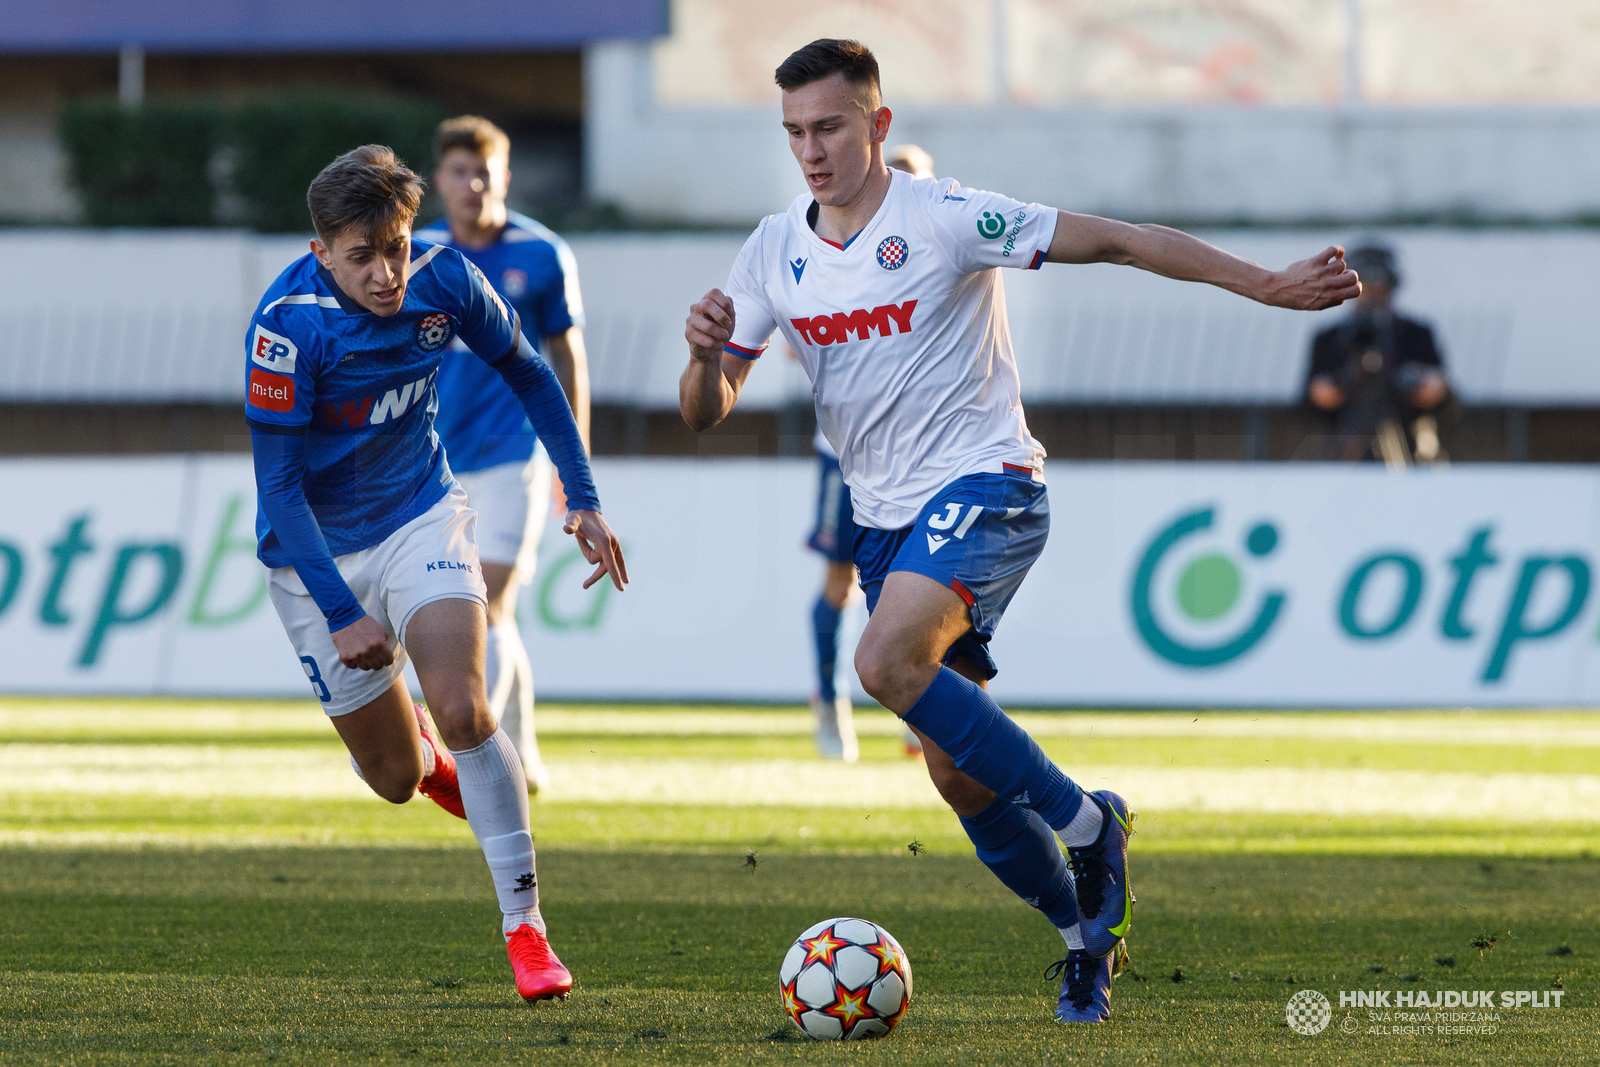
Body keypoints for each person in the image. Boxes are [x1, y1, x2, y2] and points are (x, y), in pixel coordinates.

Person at [679, 39, 1357, 1023]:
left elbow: (1121, 238)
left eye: (828, 126)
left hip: (987, 485)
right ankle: (1085, 939)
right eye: (792, 133)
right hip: (883, 525)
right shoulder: (772, 248)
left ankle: (1090, 824)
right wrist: (702, 357)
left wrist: (1264, 285)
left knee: (879, 660)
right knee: (957, 774)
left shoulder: (945, 215)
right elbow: (706, 408)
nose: (810, 151)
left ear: (878, 124)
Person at [248, 145, 627, 1004]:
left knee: (466, 705)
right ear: (321, 253)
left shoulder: (447, 279)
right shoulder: (287, 327)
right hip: (316, 556)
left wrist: (586, 496)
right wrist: (343, 611)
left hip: (422, 514)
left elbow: (532, 374)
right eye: (362, 256)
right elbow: (277, 489)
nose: (387, 274)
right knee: (394, 779)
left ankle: (526, 931)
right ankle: (422, 750)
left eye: (397, 246)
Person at [414, 116, 592, 794]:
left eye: (485, 171)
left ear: (505, 178)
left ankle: (494, 756)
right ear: (441, 181)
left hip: (514, 453)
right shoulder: (416, 253)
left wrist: (577, 469)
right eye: (460, 172)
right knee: (477, 611)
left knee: (488, 603)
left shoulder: (542, 255)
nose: (473, 184)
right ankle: (521, 749)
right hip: (432, 462)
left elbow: (567, 358)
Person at [805, 142, 936, 764]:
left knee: (933, 583)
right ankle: (830, 702)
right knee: (842, 580)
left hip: (936, 457)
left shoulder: (947, 253)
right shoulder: (831, 255)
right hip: (848, 459)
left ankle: (927, 709)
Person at [1305, 243, 1450, 464]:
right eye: (1363, 286)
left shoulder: (1415, 334)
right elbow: (1313, 400)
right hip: (1345, 454)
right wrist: (1347, 379)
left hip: (1410, 452)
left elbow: (1441, 395)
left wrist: (1409, 380)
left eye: (1379, 286)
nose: (1371, 294)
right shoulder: (1330, 339)